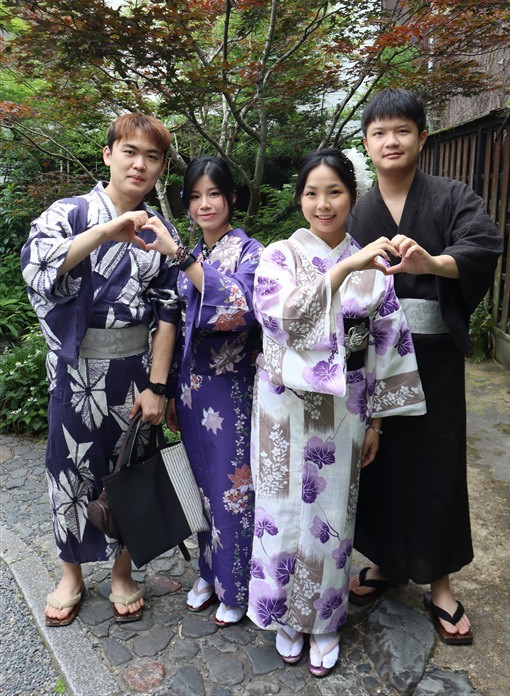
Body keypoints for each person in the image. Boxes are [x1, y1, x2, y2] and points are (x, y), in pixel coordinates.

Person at [247, 149, 426, 677]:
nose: (322, 204)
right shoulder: (279, 255)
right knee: (280, 510)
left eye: (334, 192)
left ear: (352, 196)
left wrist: (377, 423)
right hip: (282, 406)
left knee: (332, 516)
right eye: (311, 193)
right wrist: (344, 269)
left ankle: (323, 620)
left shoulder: (376, 267)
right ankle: (283, 614)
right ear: (299, 198)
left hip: (345, 405)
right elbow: (277, 319)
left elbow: (386, 343)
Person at [347, 88, 503, 645]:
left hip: (434, 359)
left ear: (422, 137)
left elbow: (483, 244)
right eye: (379, 133)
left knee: (437, 465)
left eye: (402, 130)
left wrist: (433, 263)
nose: (391, 141)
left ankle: (439, 582)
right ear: (366, 143)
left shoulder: (452, 196)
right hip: (374, 358)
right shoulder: (356, 209)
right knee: (379, 463)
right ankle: (388, 562)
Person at [21, 113, 181, 626]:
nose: (140, 164)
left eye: (152, 156)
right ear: (108, 154)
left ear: (160, 168)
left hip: (134, 370)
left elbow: (169, 312)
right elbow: (37, 267)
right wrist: (104, 232)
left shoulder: (160, 230)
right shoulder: (68, 214)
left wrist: (158, 386)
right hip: (75, 370)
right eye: (129, 151)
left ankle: (121, 571)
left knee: (127, 471)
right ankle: (70, 574)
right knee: (67, 471)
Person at [141, 156, 263, 627]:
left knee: (233, 487)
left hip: (232, 389)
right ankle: (209, 572)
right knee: (200, 488)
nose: (204, 204)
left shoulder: (251, 252)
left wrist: (183, 258)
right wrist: (169, 389)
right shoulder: (191, 254)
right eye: (195, 196)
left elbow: (241, 308)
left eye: (214, 194)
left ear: (231, 197)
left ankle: (236, 585)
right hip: (191, 392)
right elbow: (171, 326)